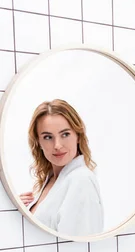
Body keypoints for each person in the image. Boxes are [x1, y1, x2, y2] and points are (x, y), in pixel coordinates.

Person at [21, 99, 104, 236]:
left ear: (78, 136)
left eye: (65, 134)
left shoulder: (81, 180)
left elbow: (76, 249)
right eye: (48, 137)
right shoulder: (52, 179)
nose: (57, 145)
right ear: (38, 142)